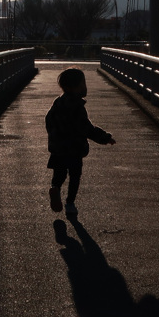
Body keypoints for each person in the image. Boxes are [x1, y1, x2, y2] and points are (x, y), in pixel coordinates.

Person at [45, 67, 115, 215]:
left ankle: (55, 188)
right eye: (83, 82)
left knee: (59, 174)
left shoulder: (58, 102)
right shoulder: (77, 107)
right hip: (74, 148)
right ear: (77, 86)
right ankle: (70, 203)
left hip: (58, 148)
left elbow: (49, 120)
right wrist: (105, 138)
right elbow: (87, 128)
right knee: (74, 177)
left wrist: (53, 136)